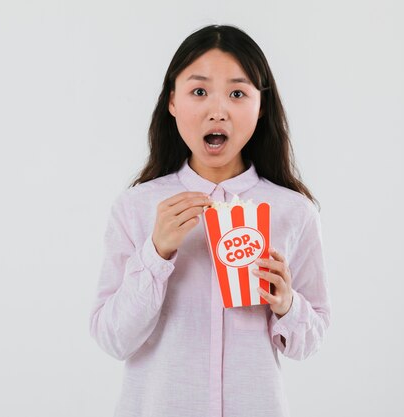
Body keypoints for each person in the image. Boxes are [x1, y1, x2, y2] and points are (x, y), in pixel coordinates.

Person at [89, 24, 331, 417]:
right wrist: (156, 252)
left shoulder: (293, 212)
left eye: (237, 93)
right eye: (199, 91)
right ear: (172, 101)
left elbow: (310, 342)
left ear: (261, 105)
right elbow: (113, 339)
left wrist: (287, 303)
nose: (217, 111)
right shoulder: (135, 208)